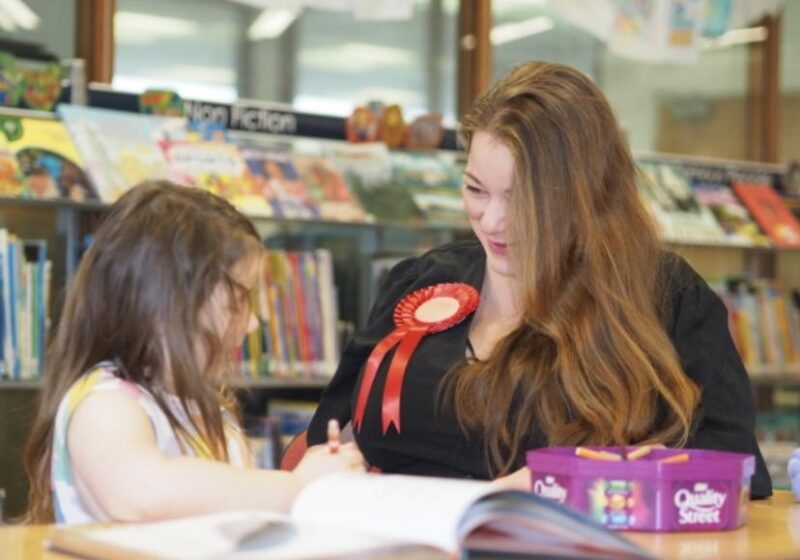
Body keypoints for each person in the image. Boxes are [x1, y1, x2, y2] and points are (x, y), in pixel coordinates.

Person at [305, 61, 772, 498]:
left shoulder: (667, 297)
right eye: (475, 190)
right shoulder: (422, 280)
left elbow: (733, 473)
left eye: (522, 200)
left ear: (585, 195)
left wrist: (570, 480)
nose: (492, 221)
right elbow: (326, 438)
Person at [24, 181, 364, 524]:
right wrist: (297, 486)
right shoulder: (105, 403)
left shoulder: (209, 409)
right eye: (236, 303)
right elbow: (143, 494)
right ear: (166, 308)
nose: (251, 324)